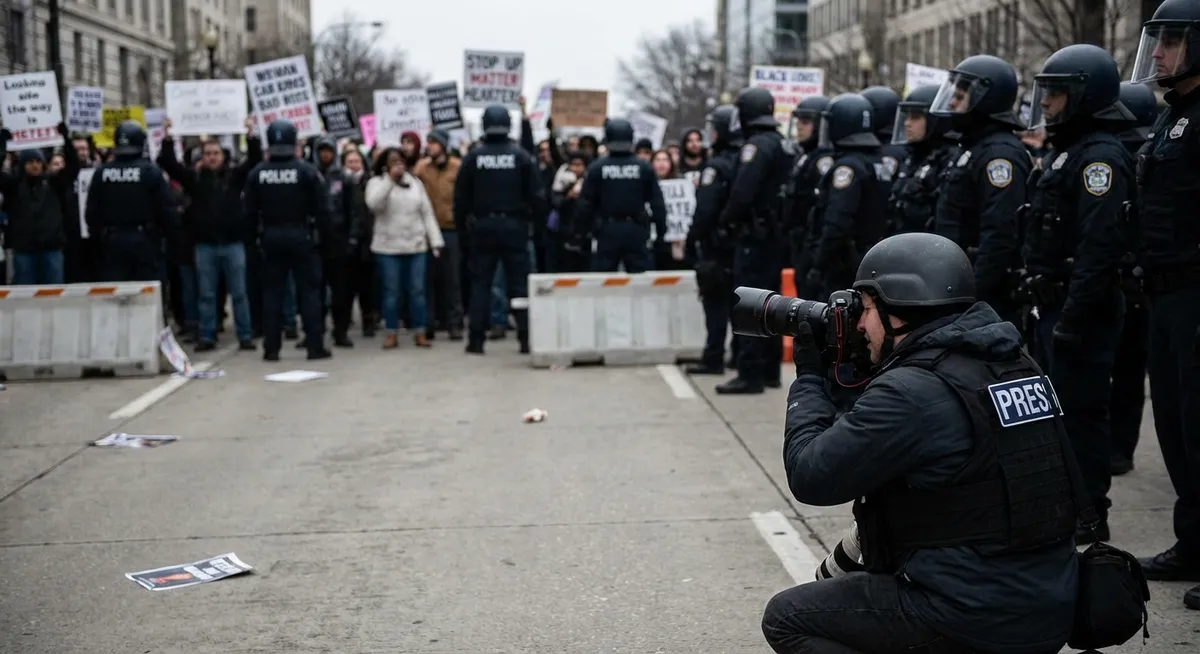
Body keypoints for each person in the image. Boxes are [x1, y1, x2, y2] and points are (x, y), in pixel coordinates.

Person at [762, 232, 1078, 654]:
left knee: (787, 617)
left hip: (977, 615)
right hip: (1051, 601)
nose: (857, 324)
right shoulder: (1013, 362)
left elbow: (811, 475)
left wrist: (808, 380)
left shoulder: (915, 391)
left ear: (900, 313)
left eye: (867, 309)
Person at [1022, 43, 1135, 544]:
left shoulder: (1100, 159)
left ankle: (1090, 514)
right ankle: (1063, 508)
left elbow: (1099, 247)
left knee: (1082, 414)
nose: (1046, 103)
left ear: (1084, 97)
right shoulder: (1067, 151)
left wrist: (1072, 316)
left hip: (1080, 309)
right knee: (1054, 414)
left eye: (1058, 93)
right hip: (1053, 303)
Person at [1127, 0, 1200, 610]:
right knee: (1176, 427)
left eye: (1171, 42)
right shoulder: (1172, 117)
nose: (1157, 52)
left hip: (1198, 293)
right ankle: (1194, 543)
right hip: (1168, 294)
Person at [930, 55, 1031, 321]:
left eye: (961, 96)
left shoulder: (1000, 155)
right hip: (956, 282)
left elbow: (999, 234)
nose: (952, 102)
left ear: (986, 99)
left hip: (980, 296)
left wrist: (971, 293)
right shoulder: (973, 148)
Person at [716, 87, 798, 395]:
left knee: (750, 303)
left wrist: (725, 221)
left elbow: (742, 193)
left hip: (755, 236)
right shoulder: (784, 145)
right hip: (776, 236)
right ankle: (769, 370)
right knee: (772, 303)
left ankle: (749, 372)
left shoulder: (756, 147)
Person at [158, 117, 260, 353]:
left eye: (216, 153)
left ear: (222, 155)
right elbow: (169, 164)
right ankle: (207, 335)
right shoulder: (195, 179)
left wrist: (251, 134)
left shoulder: (234, 178)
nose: (212, 157)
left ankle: (245, 335)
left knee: (239, 294)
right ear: (203, 157)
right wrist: (167, 138)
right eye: (208, 154)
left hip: (233, 244)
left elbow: (253, 160)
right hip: (205, 246)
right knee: (207, 294)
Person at [454, 104, 543, 355]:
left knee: (481, 284)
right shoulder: (521, 157)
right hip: (514, 226)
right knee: (519, 286)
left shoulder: (473, 157)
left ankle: (476, 340)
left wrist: (464, 231)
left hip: (483, 227)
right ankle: (525, 339)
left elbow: (460, 199)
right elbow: (537, 196)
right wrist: (534, 225)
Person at [243, 119, 331, 362]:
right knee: (309, 293)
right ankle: (315, 346)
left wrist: (251, 242)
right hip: (301, 235)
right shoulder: (307, 171)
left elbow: (248, 213)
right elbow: (322, 210)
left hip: (270, 237)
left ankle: (272, 348)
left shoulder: (258, 174)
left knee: (272, 293)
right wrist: (324, 241)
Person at [1110, 81, 1157, 477]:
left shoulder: (1127, 156)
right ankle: (1120, 447)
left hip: (1129, 279)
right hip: (1135, 280)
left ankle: (1119, 446)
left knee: (1123, 369)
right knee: (1128, 370)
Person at [85, 121, 182, 287]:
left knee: (115, 295)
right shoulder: (150, 172)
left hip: (112, 242)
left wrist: (98, 238)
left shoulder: (101, 173)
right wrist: (171, 240)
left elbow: (91, 212)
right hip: (145, 241)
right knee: (147, 296)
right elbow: (167, 210)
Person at [365, 150, 444, 349]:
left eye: (400, 162)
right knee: (391, 292)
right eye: (393, 163)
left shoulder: (415, 184)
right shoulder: (377, 183)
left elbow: (426, 213)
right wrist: (390, 181)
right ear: (385, 166)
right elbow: (374, 205)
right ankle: (391, 332)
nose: (398, 166)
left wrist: (435, 241)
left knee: (417, 291)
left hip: (416, 245)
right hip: (388, 248)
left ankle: (420, 331)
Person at [686, 104, 742, 376]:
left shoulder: (716, 166)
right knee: (738, 305)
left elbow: (705, 210)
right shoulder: (744, 159)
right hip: (739, 245)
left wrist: (692, 237)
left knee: (715, 304)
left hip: (715, 247)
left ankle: (714, 357)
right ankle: (740, 357)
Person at [575, 118, 667, 274]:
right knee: (641, 281)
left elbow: (585, 204)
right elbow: (657, 203)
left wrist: (581, 235)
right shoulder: (643, 167)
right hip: (636, 229)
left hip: (607, 230)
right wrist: (661, 232)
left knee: (604, 281)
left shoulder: (597, 167)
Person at [0, 122, 77, 284]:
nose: (35, 165)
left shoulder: (53, 183)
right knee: (25, 296)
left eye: (38, 161)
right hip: (24, 250)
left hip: (51, 248)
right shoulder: (13, 185)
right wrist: (2, 144)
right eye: (30, 162)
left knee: (54, 294)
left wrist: (66, 139)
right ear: (23, 164)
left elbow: (72, 168)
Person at [888, 84, 960, 235]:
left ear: (934, 120)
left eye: (915, 117)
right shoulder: (913, 156)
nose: (907, 123)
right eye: (906, 116)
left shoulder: (949, 159)